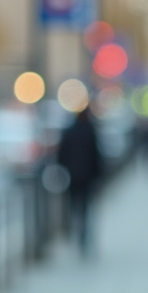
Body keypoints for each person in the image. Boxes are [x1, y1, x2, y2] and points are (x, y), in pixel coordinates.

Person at [56, 107, 103, 255]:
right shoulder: (90, 131)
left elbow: (61, 155)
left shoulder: (69, 131)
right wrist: (98, 175)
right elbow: (96, 155)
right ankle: (83, 234)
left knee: (73, 205)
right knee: (85, 207)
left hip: (72, 176)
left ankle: (75, 232)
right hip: (88, 176)